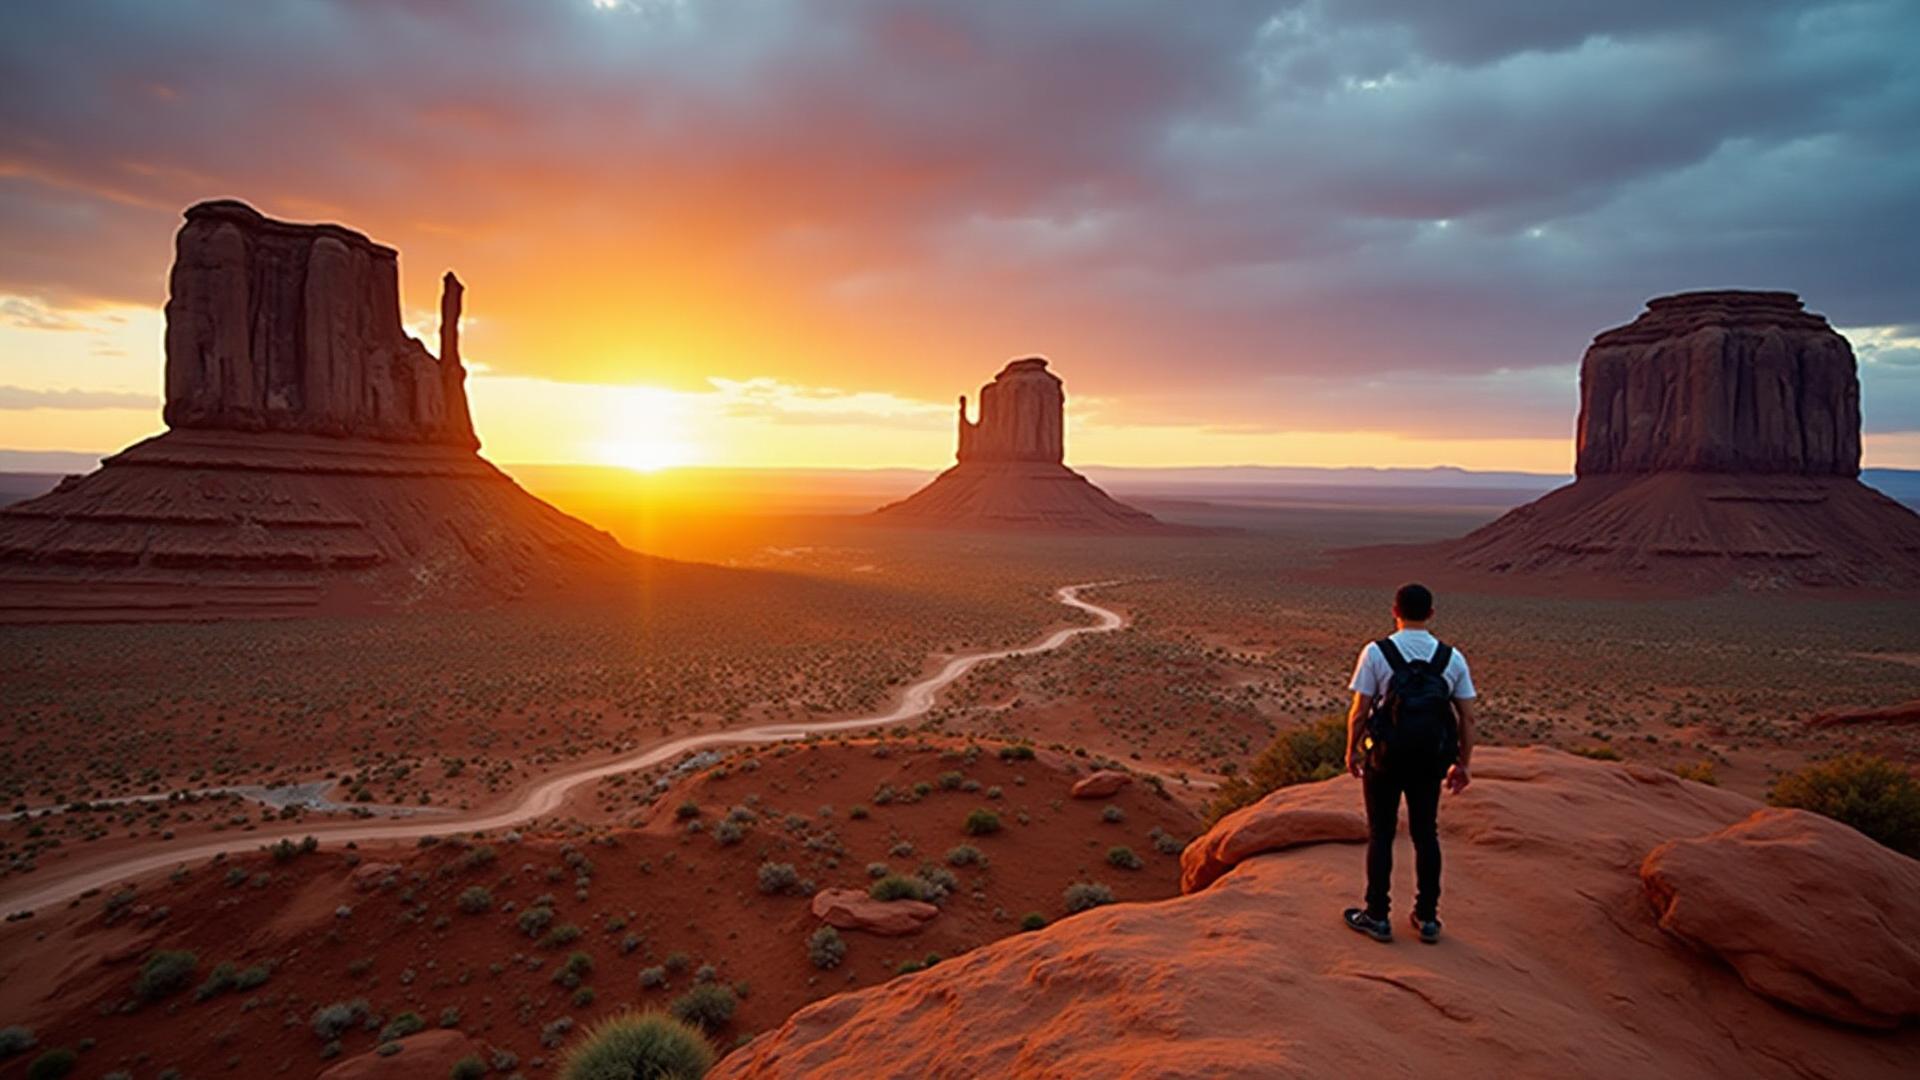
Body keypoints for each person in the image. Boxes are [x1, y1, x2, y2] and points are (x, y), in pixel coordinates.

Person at [1341, 583, 1476, 945]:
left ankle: (1377, 916)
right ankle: (1428, 917)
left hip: (1385, 758)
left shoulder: (1376, 652)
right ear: (1431, 613)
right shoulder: (1452, 658)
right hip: (1430, 761)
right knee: (1425, 834)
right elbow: (1467, 719)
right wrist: (1462, 764)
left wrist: (1351, 750)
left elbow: (1360, 712)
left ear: (1394, 611)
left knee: (1381, 834)